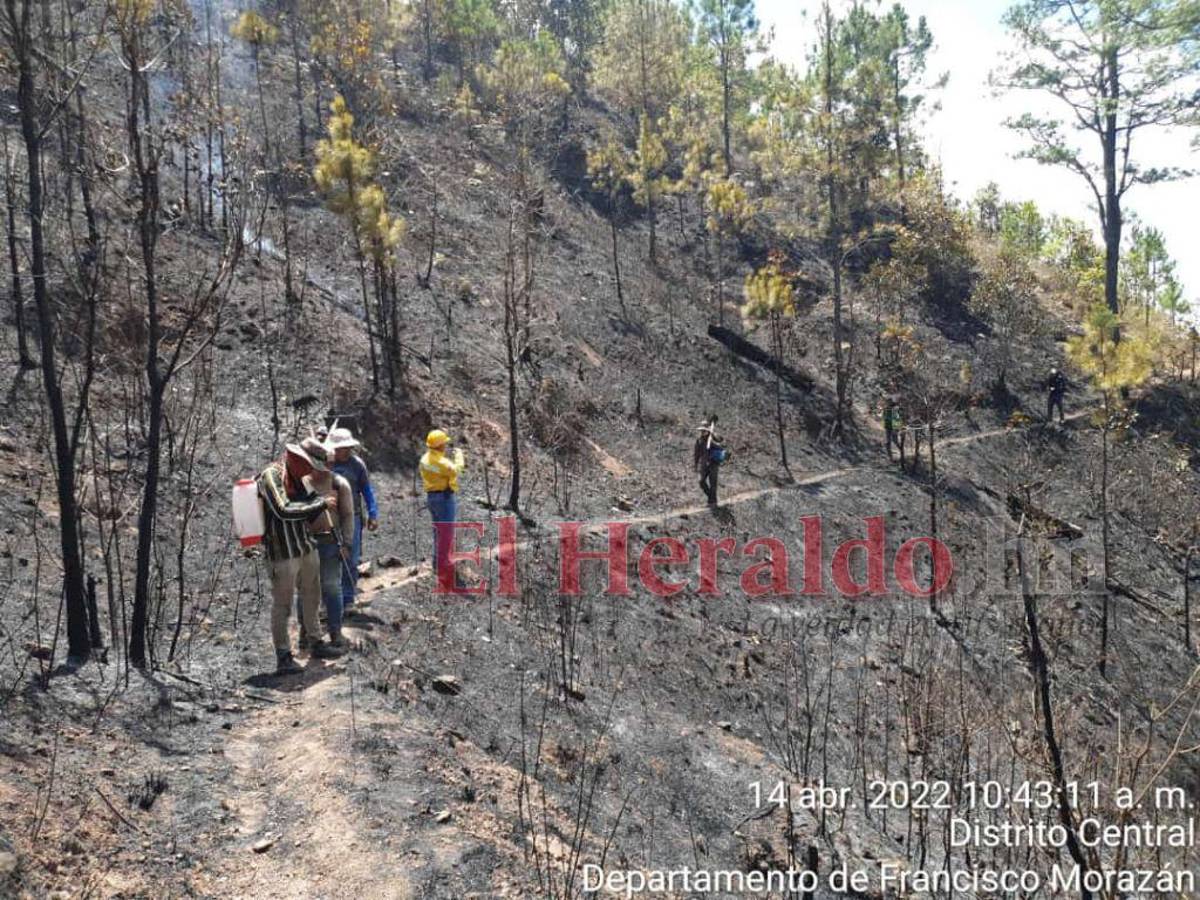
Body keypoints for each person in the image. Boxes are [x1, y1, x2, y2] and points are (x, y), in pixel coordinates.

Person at [257, 442, 342, 675]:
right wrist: (320, 502)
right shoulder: (271, 476)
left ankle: (315, 641)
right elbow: (283, 509)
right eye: (308, 465)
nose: (310, 471)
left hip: (305, 546)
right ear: (295, 458)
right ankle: (283, 655)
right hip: (282, 551)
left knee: (312, 596)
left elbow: (313, 507)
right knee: (282, 605)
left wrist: (323, 504)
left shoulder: (301, 479)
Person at [298, 436, 354, 649]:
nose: (326, 467)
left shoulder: (339, 484)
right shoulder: (301, 483)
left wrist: (347, 544)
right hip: (305, 544)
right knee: (305, 589)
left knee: (331, 587)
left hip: (331, 542)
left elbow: (348, 515)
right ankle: (305, 633)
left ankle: (335, 631)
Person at [327, 426, 378, 614]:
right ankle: (330, 601)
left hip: (353, 517)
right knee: (329, 557)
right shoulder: (326, 464)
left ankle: (348, 599)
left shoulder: (357, 465)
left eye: (346, 448)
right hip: (329, 516)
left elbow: (367, 490)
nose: (344, 451)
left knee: (351, 556)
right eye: (340, 448)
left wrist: (373, 513)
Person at [420, 429, 467, 589]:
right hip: (444, 498)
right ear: (440, 446)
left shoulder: (425, 459)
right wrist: (459, 455)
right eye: (444, 444)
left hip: (432, 497)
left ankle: (436, 561)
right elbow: (457, 469)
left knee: (437, 531)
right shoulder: (442, 462)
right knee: (446, 532)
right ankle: (443, 564)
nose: (446, 446)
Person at [693, 415, 726, 507]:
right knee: (701, 481)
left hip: (713, 463)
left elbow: (721, 441)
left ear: (707, 430)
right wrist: (695, 465)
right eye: (701, 430)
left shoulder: (713, 437)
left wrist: (713, 434)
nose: (702, 432)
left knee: (713, 483)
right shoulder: (699, 440)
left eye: (704, 430)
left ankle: (712, 502)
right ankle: (711, 498)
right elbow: (696, 454)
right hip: (704, 464)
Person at [882, 396, 905, 464]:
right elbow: (884, 416)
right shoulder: (886, 408)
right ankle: (890, 458)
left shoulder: (895, 408)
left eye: (889, 401)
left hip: (893, 427)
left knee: (894, 440)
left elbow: (897, 418)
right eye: (887, 402)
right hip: (887, 427)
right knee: (887, 442)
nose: (888, 403)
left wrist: (897, 427)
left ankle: (901, 454)